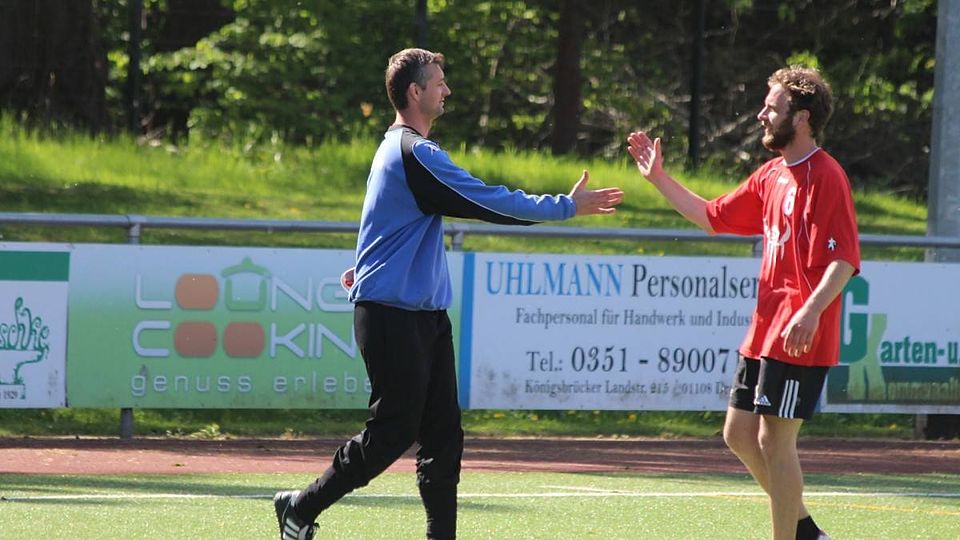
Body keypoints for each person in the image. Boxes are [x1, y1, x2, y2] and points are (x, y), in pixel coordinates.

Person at [273, 48, 624, 540]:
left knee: (442, 436)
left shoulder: (397, 149)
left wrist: (365, 265)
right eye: (439, 82)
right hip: (393, 315)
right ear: (415, 91)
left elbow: (384, 222)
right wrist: (565, 206)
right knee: (393, 431)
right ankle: (300, 507)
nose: (447, 90)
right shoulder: (416, 153)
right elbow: (488, 201)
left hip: (423, 315)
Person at [626, 66, 859, 540]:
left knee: (775, 439)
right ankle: (806, 531)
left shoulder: (826, 176)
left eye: (772, 108)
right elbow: (711, 217)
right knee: (738, 434)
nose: (761, 115)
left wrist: (811, 311)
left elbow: (844, 260)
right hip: (765, 330)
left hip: (798, 334)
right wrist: (659, 179)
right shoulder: (772, 175)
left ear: (802, 118)